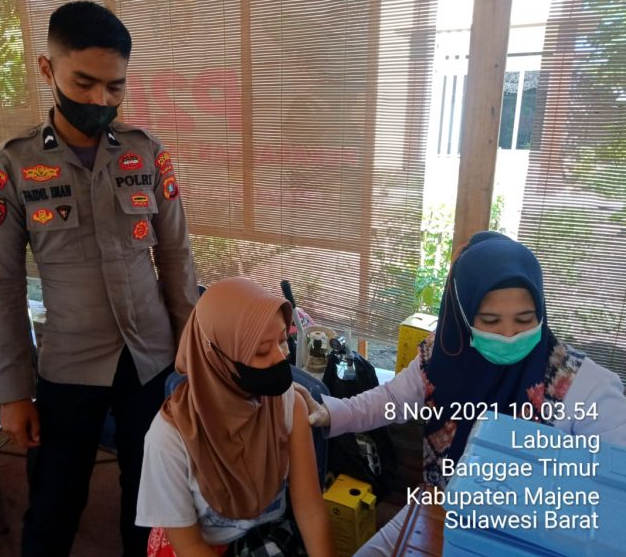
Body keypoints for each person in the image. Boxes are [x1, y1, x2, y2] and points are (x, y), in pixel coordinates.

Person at [0, 1, 198, 557]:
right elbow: (1, 286)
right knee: (53, 504)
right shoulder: (11, 166)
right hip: (69, 363)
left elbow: (176, 258)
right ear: (47, 69)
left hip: (151, 357)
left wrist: (192, 358)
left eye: (114, 87)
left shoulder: (147, 154)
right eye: (84, 82)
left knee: (153, 503)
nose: (100, 100)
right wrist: (12, 391)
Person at [296, 231, 626, 556]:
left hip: (532, 539)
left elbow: (616, 490)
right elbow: (391, 402)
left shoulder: (586, 387)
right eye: (491, 320)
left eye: (525, 319)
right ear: (465, 315)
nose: (509, 334)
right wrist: (329, 413)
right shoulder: (443, 357)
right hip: (441, 512)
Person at [136, 277, 334, 557]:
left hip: (264, 534)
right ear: (218, 358)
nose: (280, 358)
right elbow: (189, 546)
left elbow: (310, 509)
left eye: (282, 341)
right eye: (261, 351)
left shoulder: (288, 405)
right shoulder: (168, 441)